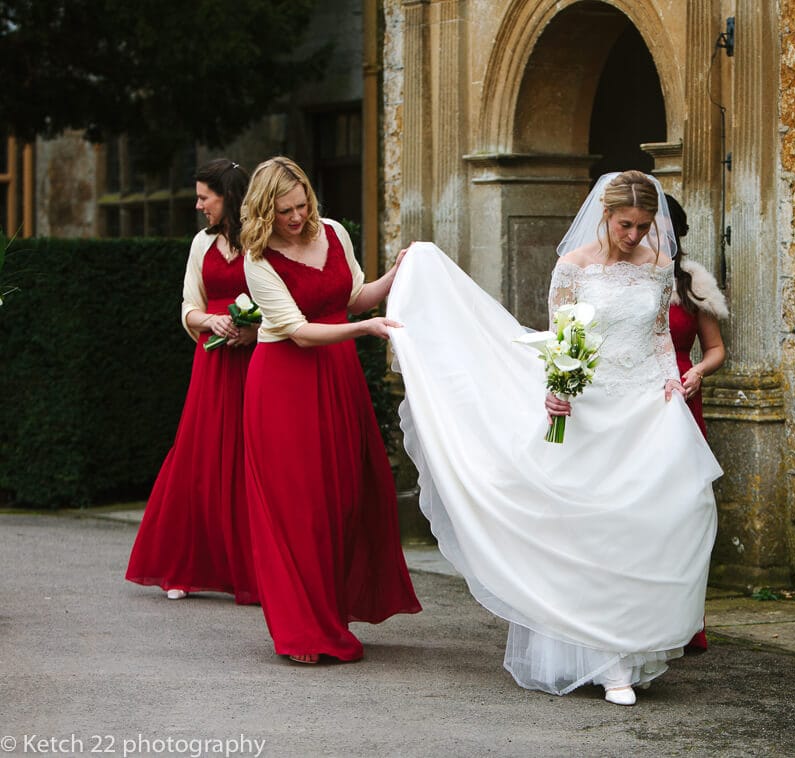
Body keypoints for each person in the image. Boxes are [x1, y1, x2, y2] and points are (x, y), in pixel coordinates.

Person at [387, 170, 721, 705]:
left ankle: (631, 649)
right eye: (624, 224)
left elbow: (660, 335)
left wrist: (673, 381)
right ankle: (602, 660)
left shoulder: (661, 268)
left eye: (643, 225)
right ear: (605, 216)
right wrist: (556, 389)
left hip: (645, 408)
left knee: (666, 517)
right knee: (591, 529)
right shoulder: (573, 267)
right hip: (588, 411)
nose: (634, 236)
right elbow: (562, 338)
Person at [240, 157, 421, 664]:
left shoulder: (334, 232)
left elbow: (354, 296)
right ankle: (301, 628)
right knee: (300, 508)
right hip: (284, 385)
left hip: (339, 379)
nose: (297, 218)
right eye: (284, 212)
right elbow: (297, 331)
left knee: (344, 496)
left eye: (301, 206)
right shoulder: (258, 260)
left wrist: (397, 275)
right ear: (263, 211)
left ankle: (330, 612)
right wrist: (364, 331)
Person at [126, 159, 260, 605]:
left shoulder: (263, 243)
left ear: (229, 196)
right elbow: (188, 305)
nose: (199, 205)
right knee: (197, 455)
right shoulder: (201, 245)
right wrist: (212, 322)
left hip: (259, 360)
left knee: (252, 459)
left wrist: (253, 331)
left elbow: (282, 301)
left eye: (206, 197)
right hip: (213, 361)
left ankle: (257, 571)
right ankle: (182, 564)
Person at [664, 193, 729, 651]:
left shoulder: (692, 282)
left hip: (682, 401)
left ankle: (688, 622)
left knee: (684, 508)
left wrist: (697, 372)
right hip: (631, 399)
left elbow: (715, 349)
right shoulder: (615, 278)